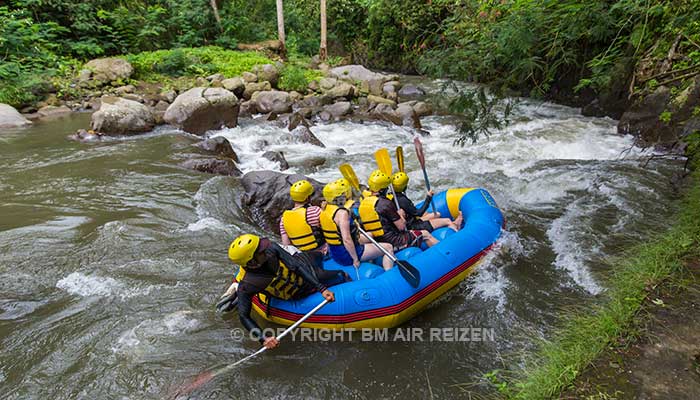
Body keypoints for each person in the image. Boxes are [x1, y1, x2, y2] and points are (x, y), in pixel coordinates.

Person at [225, 234, 344, 349]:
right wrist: (263, 338)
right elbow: (244, 316)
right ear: (252, 262)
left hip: (304, 267)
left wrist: (321, 288)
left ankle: (323, 254)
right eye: (261, 251)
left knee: (318, 255)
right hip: (296, 293)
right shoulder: (248, 285)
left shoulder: (271, 249)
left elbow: (296, 266)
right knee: (340, 275)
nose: (265, 249)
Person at [320, 180, 395, 271]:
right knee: (388, 247)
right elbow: (347, 239)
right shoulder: (342, 214)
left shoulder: (324, 210)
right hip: (346, 255)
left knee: (370, 235)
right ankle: (389, 274)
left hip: (335, 252)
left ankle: (372, 260)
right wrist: (355, 259)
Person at [359, 170, 438, 251]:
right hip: (394, 241)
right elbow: (402, 227)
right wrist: (400, 215)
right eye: (386, 188)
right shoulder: (385, 203)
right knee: (425, 234)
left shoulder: (363, 203)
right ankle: (442, 253)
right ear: (382, 190)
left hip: (378, 243)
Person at [391, 172, 463, 232]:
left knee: (437, 214)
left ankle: (447, 225)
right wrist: (428, 198)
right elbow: (419, 213)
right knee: (447, 221)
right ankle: (456, 228)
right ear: (404, 186)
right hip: (413, 227)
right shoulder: (402, 200)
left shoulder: (394, 197)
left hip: (413, 222)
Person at [279, 179, 326, 253]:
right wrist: (324, 210)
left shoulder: (283, 219)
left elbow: (286, 245)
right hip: (323, 251)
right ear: (307, 198)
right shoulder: (315, 211)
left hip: (304, 256)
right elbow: (329, 226)